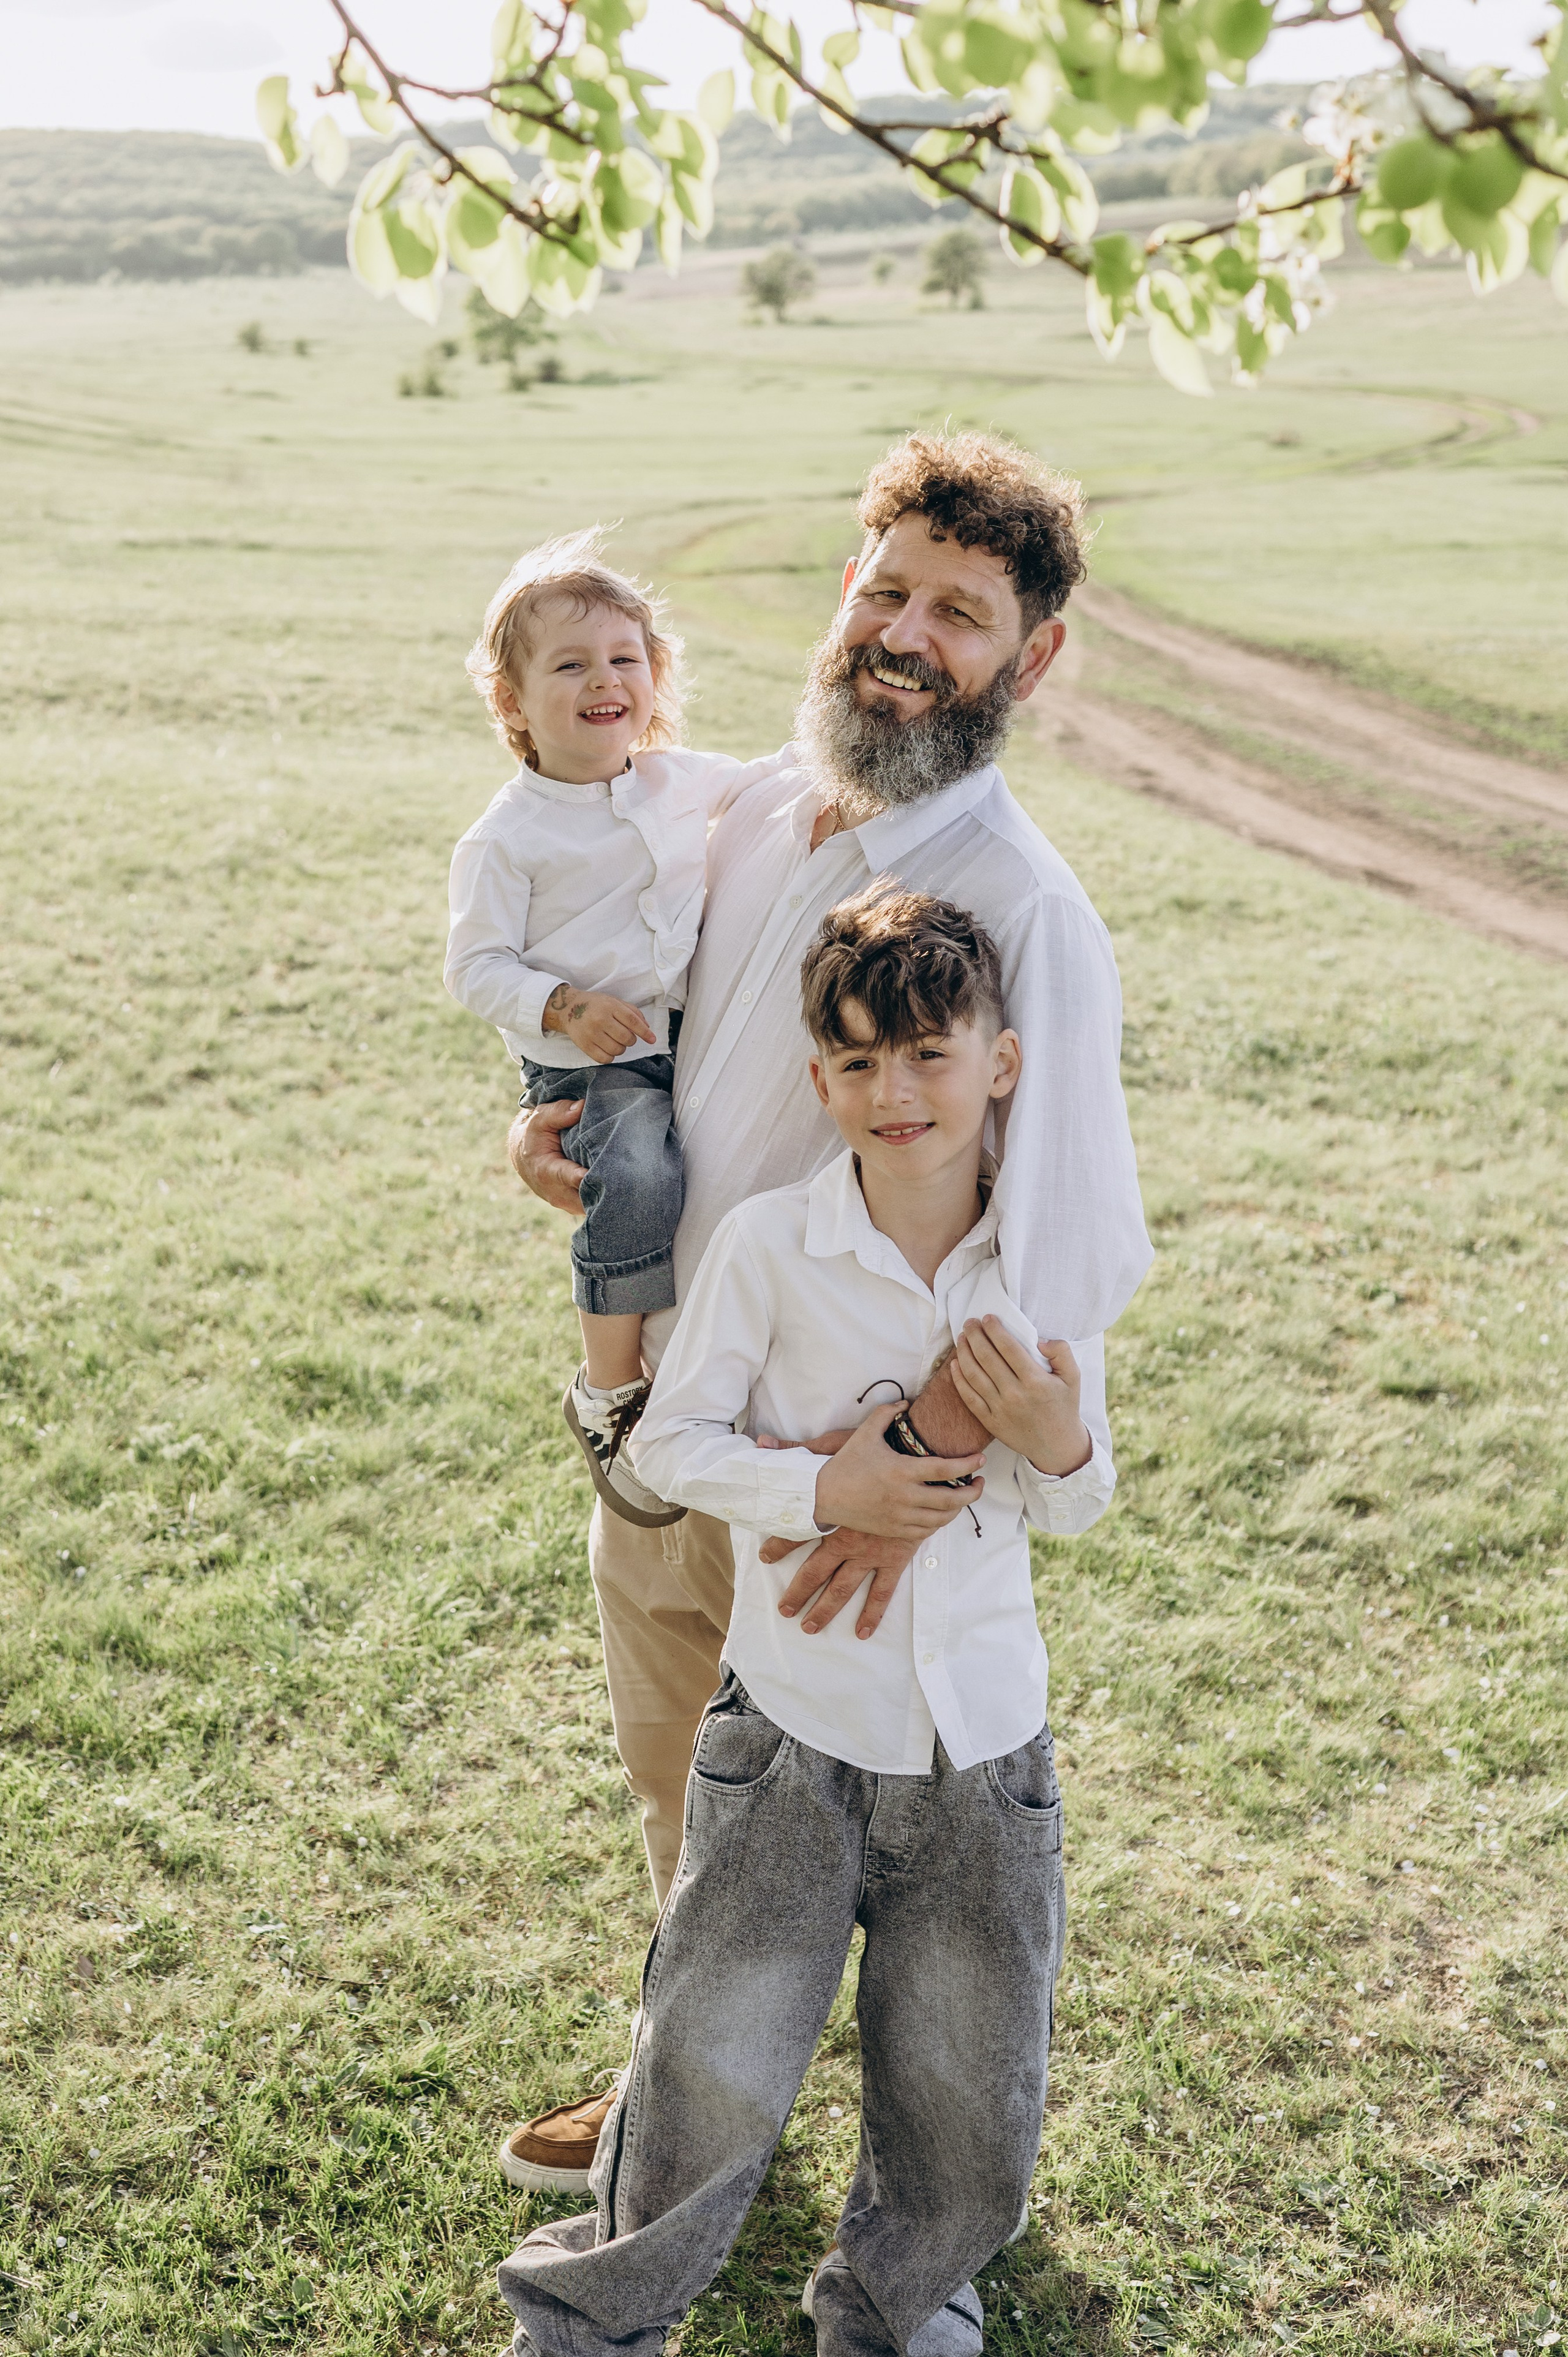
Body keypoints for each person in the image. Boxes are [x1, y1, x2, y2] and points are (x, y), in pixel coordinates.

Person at [498, 431, 1152, 2194]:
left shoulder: (1023, 909)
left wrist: (898, 1475)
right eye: (887, 589)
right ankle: (684, 2096)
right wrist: (561, 1135)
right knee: (683, 1795)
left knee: (855, 1846)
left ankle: (915, 2194)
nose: (905, 635)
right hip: (675, 1422)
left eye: (961, 612)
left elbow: (1066, 1256)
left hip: (855, 1492)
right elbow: (673, 1056)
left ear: (1031, 658)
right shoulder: (747, 811)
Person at [496, 888, 1114, 2357]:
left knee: (965, 2081)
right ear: (820, 1077)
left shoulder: (1042, 1264)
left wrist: (1055, 1439)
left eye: (928, 1054)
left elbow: (1078, 1500)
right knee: (708, 2057)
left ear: (1000, 1062)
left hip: (981, 1750)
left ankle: (901, 2301)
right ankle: (593, 2315)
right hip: (788, 1729)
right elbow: (669, 1441)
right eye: (855, 1061)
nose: (894, 1090)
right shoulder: (772, 1245)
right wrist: (824, 1485)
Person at [445, 529, 786, 1525]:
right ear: (512, 702)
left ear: (655, 674)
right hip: (587, 1067)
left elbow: (771, 781)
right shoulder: (509, 836)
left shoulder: (679, 781)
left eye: (625, 658)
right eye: (570, 665)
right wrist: (563, 1004)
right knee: (637, 1175)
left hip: (683, 1040)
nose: (605, 680)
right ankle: (608, 1390)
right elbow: (474, 967)